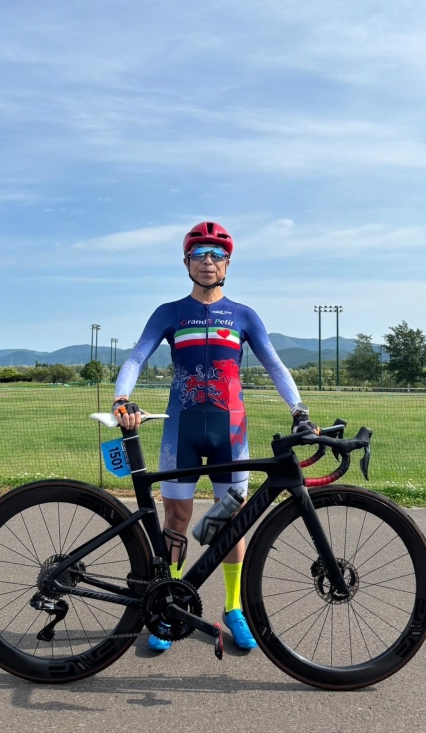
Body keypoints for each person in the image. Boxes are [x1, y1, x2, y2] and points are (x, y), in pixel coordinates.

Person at [112, 221, 316, 651]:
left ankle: (233, 607)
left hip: (231, 432)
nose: (208, 261)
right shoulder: (169, 312)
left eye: (217, 254)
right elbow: (135, 357)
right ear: (186, 262)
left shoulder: (244, 315)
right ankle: (169, 605)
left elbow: (275, 365)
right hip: (182, 430)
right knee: (177, 519)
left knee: (231, 522)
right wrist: (122, 398)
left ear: (227, 264)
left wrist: (299, 411)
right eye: (200, 253)